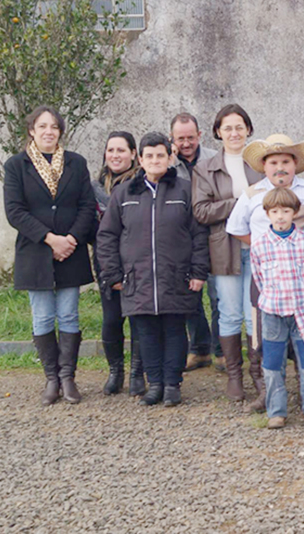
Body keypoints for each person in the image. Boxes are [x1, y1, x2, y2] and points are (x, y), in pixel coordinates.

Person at [96, 132, 209, 407]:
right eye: (149, 156)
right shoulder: (124, 193)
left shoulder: (185, 189)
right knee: (145, 333)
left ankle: (172, 385)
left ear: (170, 157)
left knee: (174, 331)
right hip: (137, 277)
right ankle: (154, 384)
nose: (155, 160)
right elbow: (107, 235)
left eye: (161, 155)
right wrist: (113, 274)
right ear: (140, 159)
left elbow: (198, 234)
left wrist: (198, 272)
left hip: (176, 275)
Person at [4, 106, 96, 406]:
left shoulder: (76, 163)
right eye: (42, 126)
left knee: (69, 313)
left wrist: (69, 240)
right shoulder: (16, 165)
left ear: (60, 131)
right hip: (35, 251)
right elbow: (14, 211)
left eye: (54, 127)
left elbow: (86, 206)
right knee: (42, 316)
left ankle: (68, 378)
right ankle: (51, 379)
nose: (48, 132)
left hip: (71, 250)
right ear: (32, 130)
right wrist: (49, 239)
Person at [227, 134, 304, 412]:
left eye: (285, 162)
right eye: (273, 163)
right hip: (267, 278)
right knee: (266, 337)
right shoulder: (252, 193)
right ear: (264, 166)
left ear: (295, 164)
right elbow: (236, 228)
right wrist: (265, 247)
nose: (279, 167)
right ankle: (268, 394)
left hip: (303, 276)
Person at [192, 104, 264, 403]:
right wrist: (239, 201)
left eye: (239, 127)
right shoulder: (205, 168)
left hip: (261, 248)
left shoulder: (261, 163)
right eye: (227, 128)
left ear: (248, 129)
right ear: (218, 133)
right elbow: (200, 210)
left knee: (255, 315)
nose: (234, 133)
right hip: (225, 249)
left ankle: (258, 374)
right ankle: (234, 375)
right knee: (231, 313)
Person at [250, 187, 304, 430]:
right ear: (267, 214)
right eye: (275, 211)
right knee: (273, 364)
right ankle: (276, 411)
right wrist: (271, 298)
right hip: (273, 311)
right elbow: (258, 277)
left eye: (286, 211)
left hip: (302, 311)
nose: (280, 216)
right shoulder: (260, 244)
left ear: (295, 213)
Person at [91, 131, 142, 396]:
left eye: (121, 150)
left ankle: (137, 372)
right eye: (110, 150)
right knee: (112, 319)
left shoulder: (141, 184)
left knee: (137, 318)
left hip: (137, 260)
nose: (115, 155)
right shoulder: (94, 187)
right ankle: (116, 371)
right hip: (106, 259)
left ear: (133, 154)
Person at [169, 112, 220, 373]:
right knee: (190, 295)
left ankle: (221, 350)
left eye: (191, 137)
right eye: (181, 139)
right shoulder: (166, 162)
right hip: (183, 237)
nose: (186, 143)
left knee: (217, 294)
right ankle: (199, 348)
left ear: (199, 135)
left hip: (214, 233)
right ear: (172, 138)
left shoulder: (214, 158)